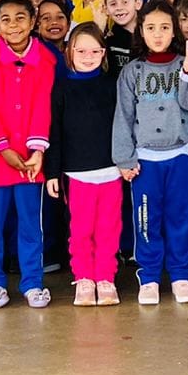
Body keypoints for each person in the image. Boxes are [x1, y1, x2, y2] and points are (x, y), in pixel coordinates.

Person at [113, 1, 188, 306]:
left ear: (174, 31)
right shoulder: (132, 71)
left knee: (181, 216)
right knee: (146, 219)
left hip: (180, 155)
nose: (158, 33)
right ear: (141, 30)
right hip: (145, 160)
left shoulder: (185, 63)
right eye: (151, 27)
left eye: (165, 27)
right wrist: (124, 158)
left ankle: (181, 274)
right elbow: (123, 117)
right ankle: (150, 276)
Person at [0, 0, 56, 309]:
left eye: (20, 18)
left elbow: (43, 106)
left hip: (31, 160)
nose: (13, 26)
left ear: (33, 21)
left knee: (31, 225)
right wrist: (2, 147)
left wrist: (36, 150)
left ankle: (32, 282)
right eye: (5, 19)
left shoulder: (45, 59)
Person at [45, 23, 123, 307]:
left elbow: (124, 126)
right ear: (69, 52)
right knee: (80, 229)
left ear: (104, 53)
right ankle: (84, 278)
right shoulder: (61, 88)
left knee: (108, 228)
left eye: (94, 51)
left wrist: (126, 161)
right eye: (81, 50)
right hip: (76, 174)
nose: (87, 56)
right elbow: (53, 131)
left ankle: (105, 278)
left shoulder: (112, 84)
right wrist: (52, 172)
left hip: (111, 171)